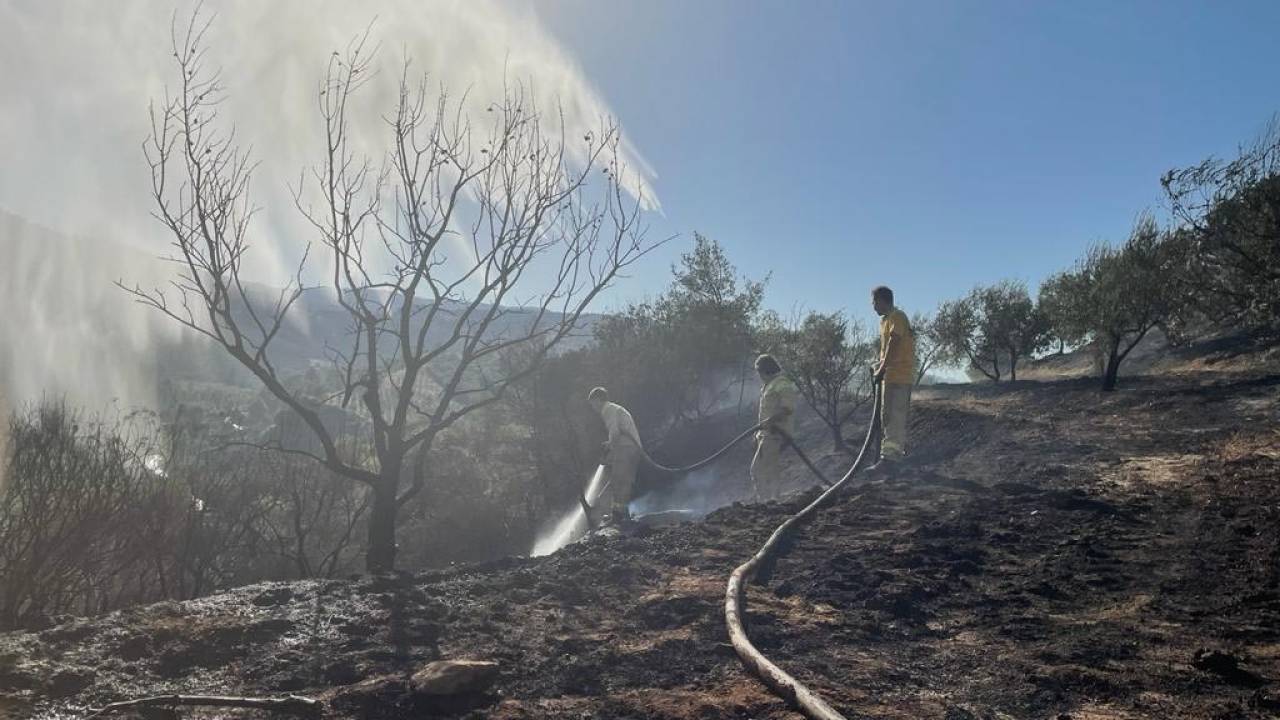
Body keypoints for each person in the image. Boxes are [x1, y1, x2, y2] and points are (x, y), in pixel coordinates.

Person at [870, 285, 915, 472]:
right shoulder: (886, 320)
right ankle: (888, 456)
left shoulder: (898, 316)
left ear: (882, 300)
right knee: (887, 417)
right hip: (889, 376)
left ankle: (891, 459)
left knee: (895, 417)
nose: (873, 306)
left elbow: (894, 342)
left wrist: (881, 368)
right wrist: (878, 365)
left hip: (899, 376)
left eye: (874, 302)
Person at [587, 387, 643, 526]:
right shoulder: (616, 409)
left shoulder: (608, 410)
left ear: (599, 400)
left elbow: (615, 433)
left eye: (593, 403)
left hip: (626, 448)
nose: (593, 407)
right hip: (633, 449)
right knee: (625, 482)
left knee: (618, 481)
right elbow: (617, 433)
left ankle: (617, 516)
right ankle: (623, 514)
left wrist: (609, 446)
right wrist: (610, 446)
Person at [751, 353, 797, 501]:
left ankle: (770, 501)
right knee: (762, 469)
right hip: (766, 434)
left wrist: (770, 421)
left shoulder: (782, 383)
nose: (759, 375)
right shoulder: (768, 385)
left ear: (765, 370)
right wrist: (758, 433)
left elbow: (787, 409)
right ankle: (768, 501)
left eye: (759, 372)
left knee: (761, 469)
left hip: (776, 433)